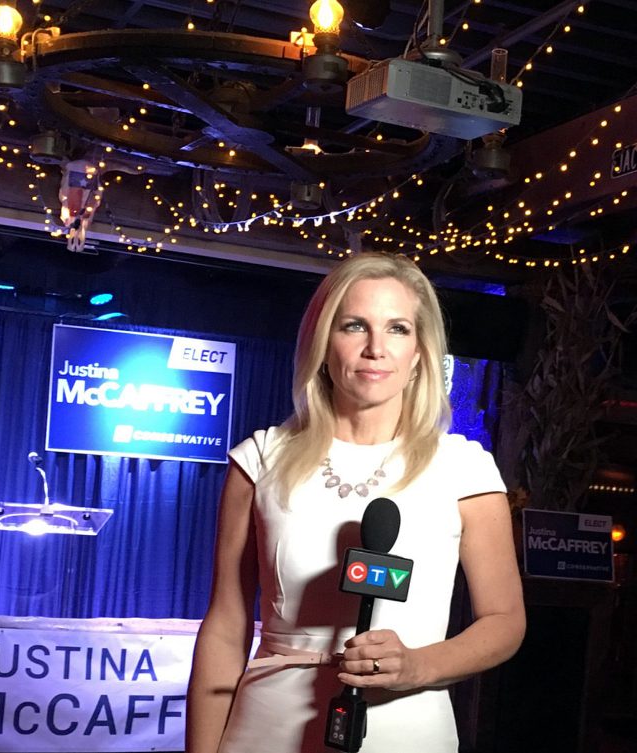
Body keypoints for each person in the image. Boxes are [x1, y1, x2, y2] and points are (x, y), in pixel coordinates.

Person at [185, 252, 525, 753]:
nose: (375, 349)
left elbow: (505, 621)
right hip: (267, 726)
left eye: (398, 329)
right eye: (354, 326)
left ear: (420, 353)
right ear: (323, 344)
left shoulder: (465, 467)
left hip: (407, 725)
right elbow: (225, 624)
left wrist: (419, 666)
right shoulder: (259, 460)